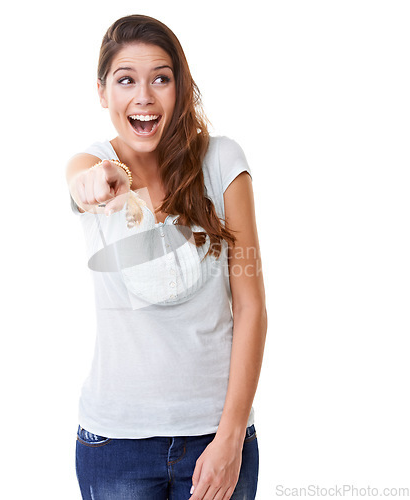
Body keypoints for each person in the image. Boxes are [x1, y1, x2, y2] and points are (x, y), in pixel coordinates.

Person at [66, 14, 268, 500]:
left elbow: (252, 308)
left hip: (215, 436)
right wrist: (97, 180)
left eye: (161, 78)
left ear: (180, 86)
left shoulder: (222, 161)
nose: (144, 97)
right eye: (125, 80)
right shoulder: (95, 165)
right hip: (115, 444)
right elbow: (82, 179)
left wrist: (230, 438)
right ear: (102, 92)